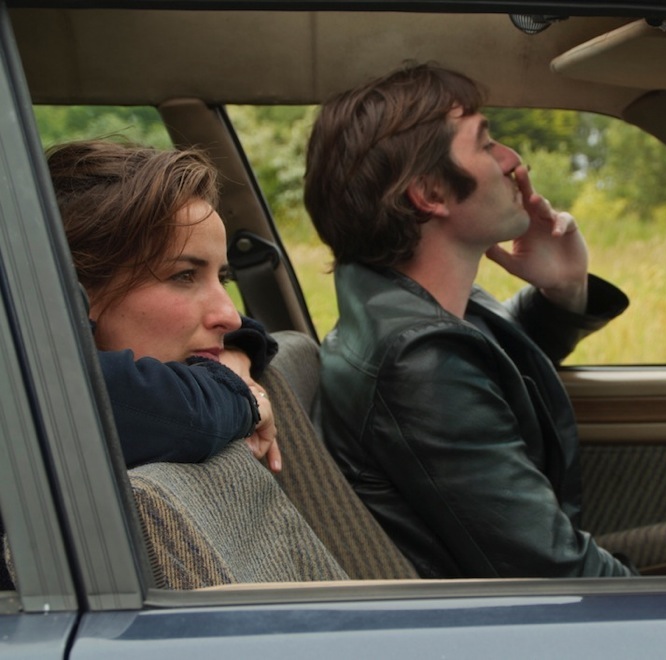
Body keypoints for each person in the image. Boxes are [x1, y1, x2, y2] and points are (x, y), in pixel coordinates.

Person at [304, 63, 634, 578]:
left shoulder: (412, 317)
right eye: (485, 143)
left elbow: (496, 363)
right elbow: (556, 572)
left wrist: (564, 287)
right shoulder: (418, 363)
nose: (513, 160)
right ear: (430, 194)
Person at [47, 139, 281, 472]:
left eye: (223, 278)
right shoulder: (40, 389)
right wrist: (242, 397)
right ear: (77, 293)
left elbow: (251, 332)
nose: (230, 317)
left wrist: (233, 357)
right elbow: (177, 413)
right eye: (185, 276)